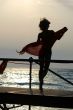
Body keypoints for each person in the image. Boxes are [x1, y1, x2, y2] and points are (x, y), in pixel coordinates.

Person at [37, 18, 68, 91]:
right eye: (48, 24)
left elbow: (37, 44)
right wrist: (63, 31)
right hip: (47, 52)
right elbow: (58, 38)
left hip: (41, 52)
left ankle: (40, 83)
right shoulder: (51, 32)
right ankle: (41, 80)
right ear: (45, 25)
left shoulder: (40, 34)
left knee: (41, 68)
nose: (48, 26)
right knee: (46, 68)